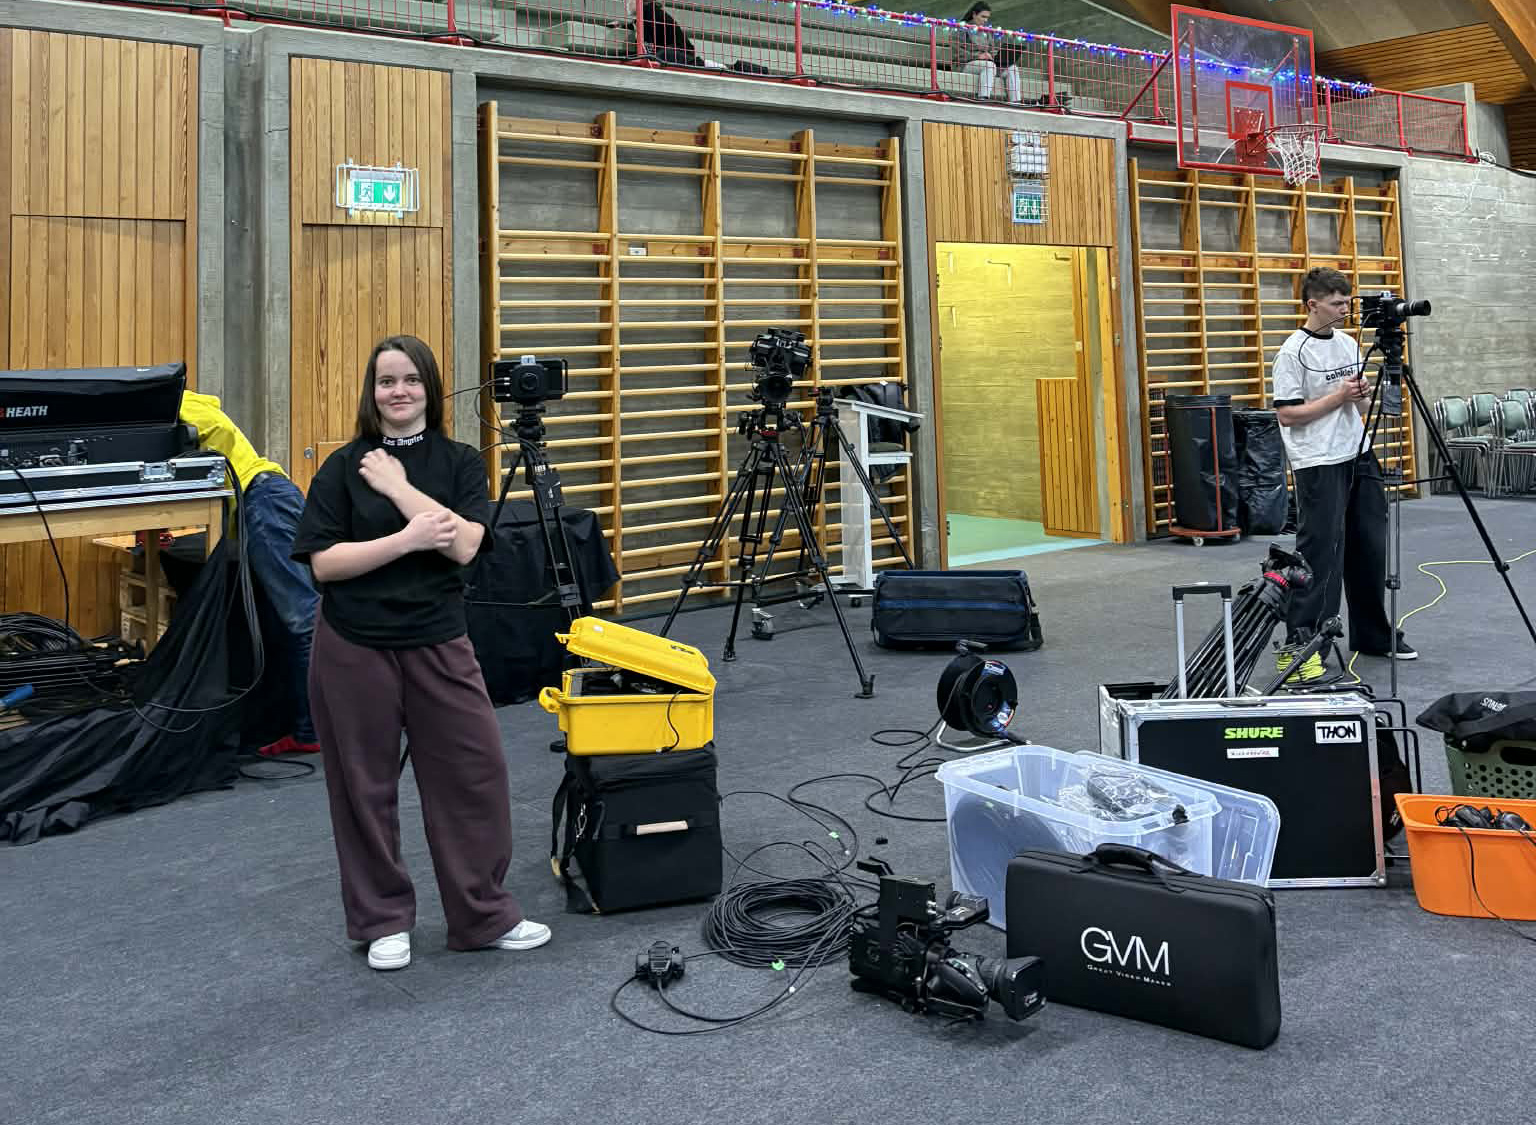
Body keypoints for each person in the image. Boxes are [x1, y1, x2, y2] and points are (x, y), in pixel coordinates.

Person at [290, 335, 550, 971]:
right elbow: (325, 563)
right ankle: (382, 920)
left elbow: (464, 546)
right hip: (353, 644)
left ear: (429, 388)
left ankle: (482, 915)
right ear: (371, 392)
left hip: (438, 637)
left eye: (410, 379)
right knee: (363, 788)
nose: (398, 391)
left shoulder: (460, 462)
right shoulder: (342, 467)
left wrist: (399, 487)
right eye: (386, 381)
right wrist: (406, 540)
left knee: (474, 774)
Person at [1272, 267, 1415, 682]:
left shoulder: (1348, 343)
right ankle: (1302, 648)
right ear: (1312, 304)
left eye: (1346, 303)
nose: (1343, 310)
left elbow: (1358, 404)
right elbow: (1287, 414)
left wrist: (1363, 398)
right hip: (1318, 460)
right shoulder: (1292, 353)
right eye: (1336, 304)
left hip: (1358, 453)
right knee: (1321, 554)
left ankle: (1372, 635)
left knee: (1369, 546)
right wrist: (1338, 396)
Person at [178, 390, 319, 757]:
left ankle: (312, 730)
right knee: (290, 619)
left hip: (264, 500)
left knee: (302, 618)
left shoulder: (179, 406)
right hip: (262, 501)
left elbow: (211, 439)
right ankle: (307, 724)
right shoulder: (189, 405)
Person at [952, 4, 1022, 105]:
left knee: (1012, 68)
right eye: (983, 17)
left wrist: (997, 57)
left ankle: (1016, 102)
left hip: (987, 64)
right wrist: (978, 56)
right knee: (989, 65)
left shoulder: (986, 31)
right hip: (965, 64)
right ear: (974, 14)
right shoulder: (962, 29)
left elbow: (992, 50)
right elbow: (958, 52)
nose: (985, 20)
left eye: (987, 18)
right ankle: (983, 99)